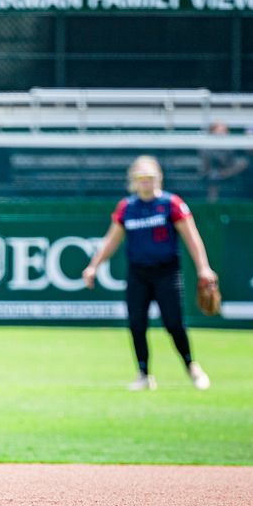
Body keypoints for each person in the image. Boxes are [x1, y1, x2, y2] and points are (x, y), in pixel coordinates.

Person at [82, 155, 216, 391]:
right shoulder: (127, 207)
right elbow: (111, 240)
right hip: (138, 274)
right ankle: (143, 374)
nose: (146, 183)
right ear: (133, 180)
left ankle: (191, 366)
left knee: (173, 323)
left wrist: (203, 267)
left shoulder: (171, 203)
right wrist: (94, 265)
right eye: (141, 178)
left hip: (166, 272)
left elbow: (192, 237)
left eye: (151, 178)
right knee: (136, 324)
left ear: (159, 179)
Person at [201, 121, 247, 203]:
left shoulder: (231, 147)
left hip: (230, 175)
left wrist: (226, 172)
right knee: (214, 175)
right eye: (222, 130)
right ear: (213, 132)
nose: (225, 133)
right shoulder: (206, 147)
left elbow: (236, 163)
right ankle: (212, 203)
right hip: (211, 176)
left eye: (226, 131)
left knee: (244, 163)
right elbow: (206, 167)